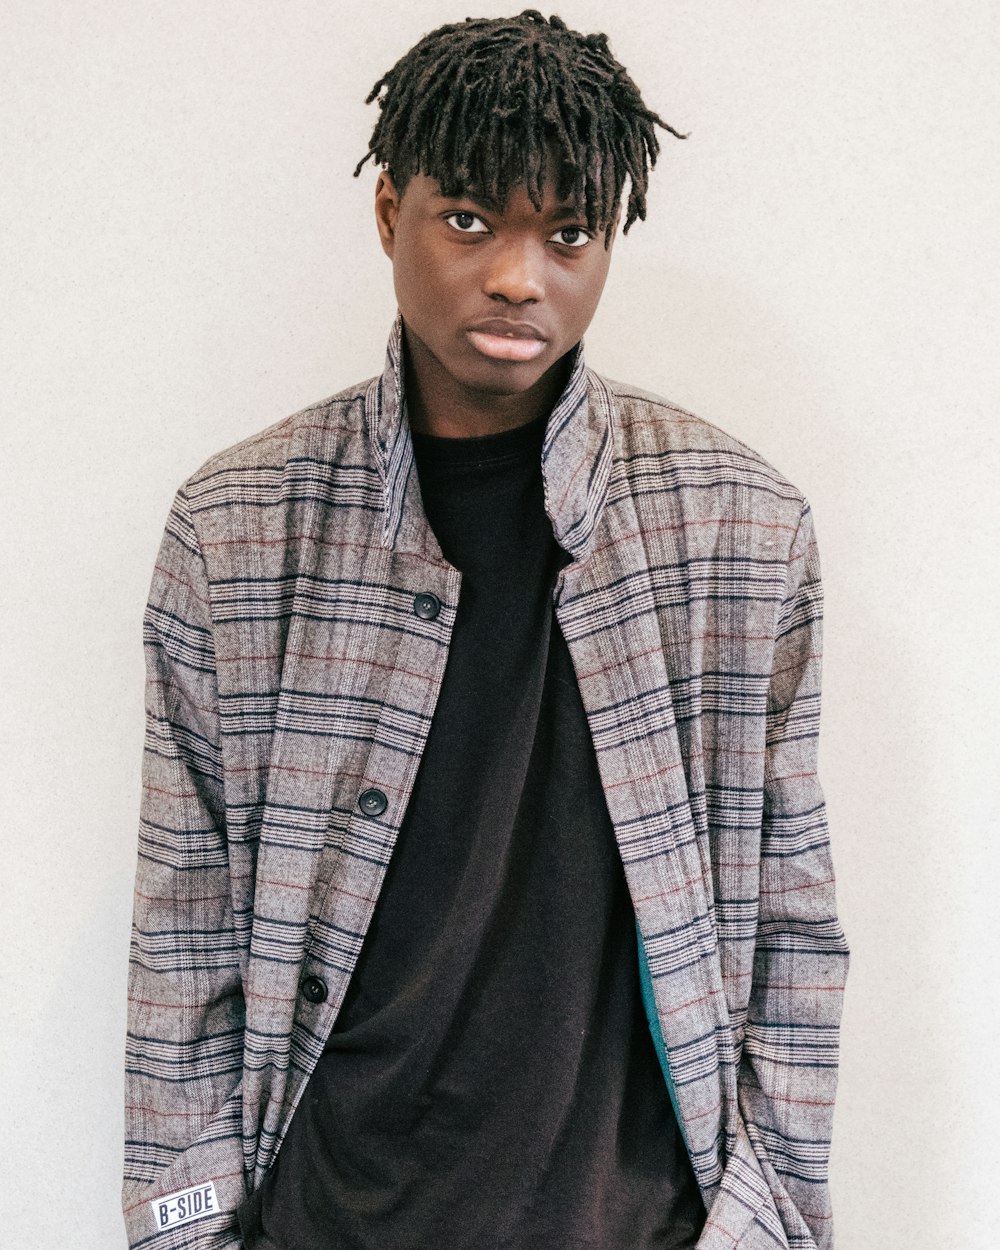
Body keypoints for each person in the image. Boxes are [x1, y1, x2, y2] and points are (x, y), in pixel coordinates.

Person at [123, 11, 848, 1250]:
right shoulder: (236, 528)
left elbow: (792, 921)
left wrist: (765, 1218)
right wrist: (180, 1229)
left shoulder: (740, 527)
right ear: (386, 211)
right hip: (324, 1220)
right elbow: (183, 928)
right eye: (470, 221)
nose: (521, 274)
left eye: (567, 232)